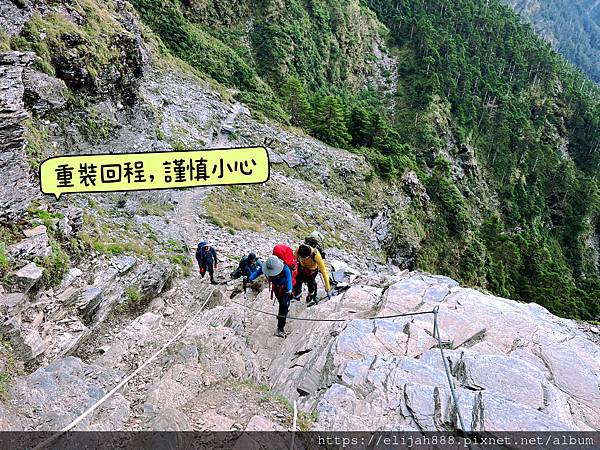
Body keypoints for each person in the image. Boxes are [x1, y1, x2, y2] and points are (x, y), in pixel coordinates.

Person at [248, 255, 293, 338]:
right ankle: (283, 311)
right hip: (276, 288)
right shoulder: (267, 267)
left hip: (285, 290)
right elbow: (257, 272)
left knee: (283, 306)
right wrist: (250, 278)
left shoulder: (285, 268)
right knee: (281, 304)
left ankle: (280, 328)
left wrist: (290, 289)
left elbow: (289, 279)